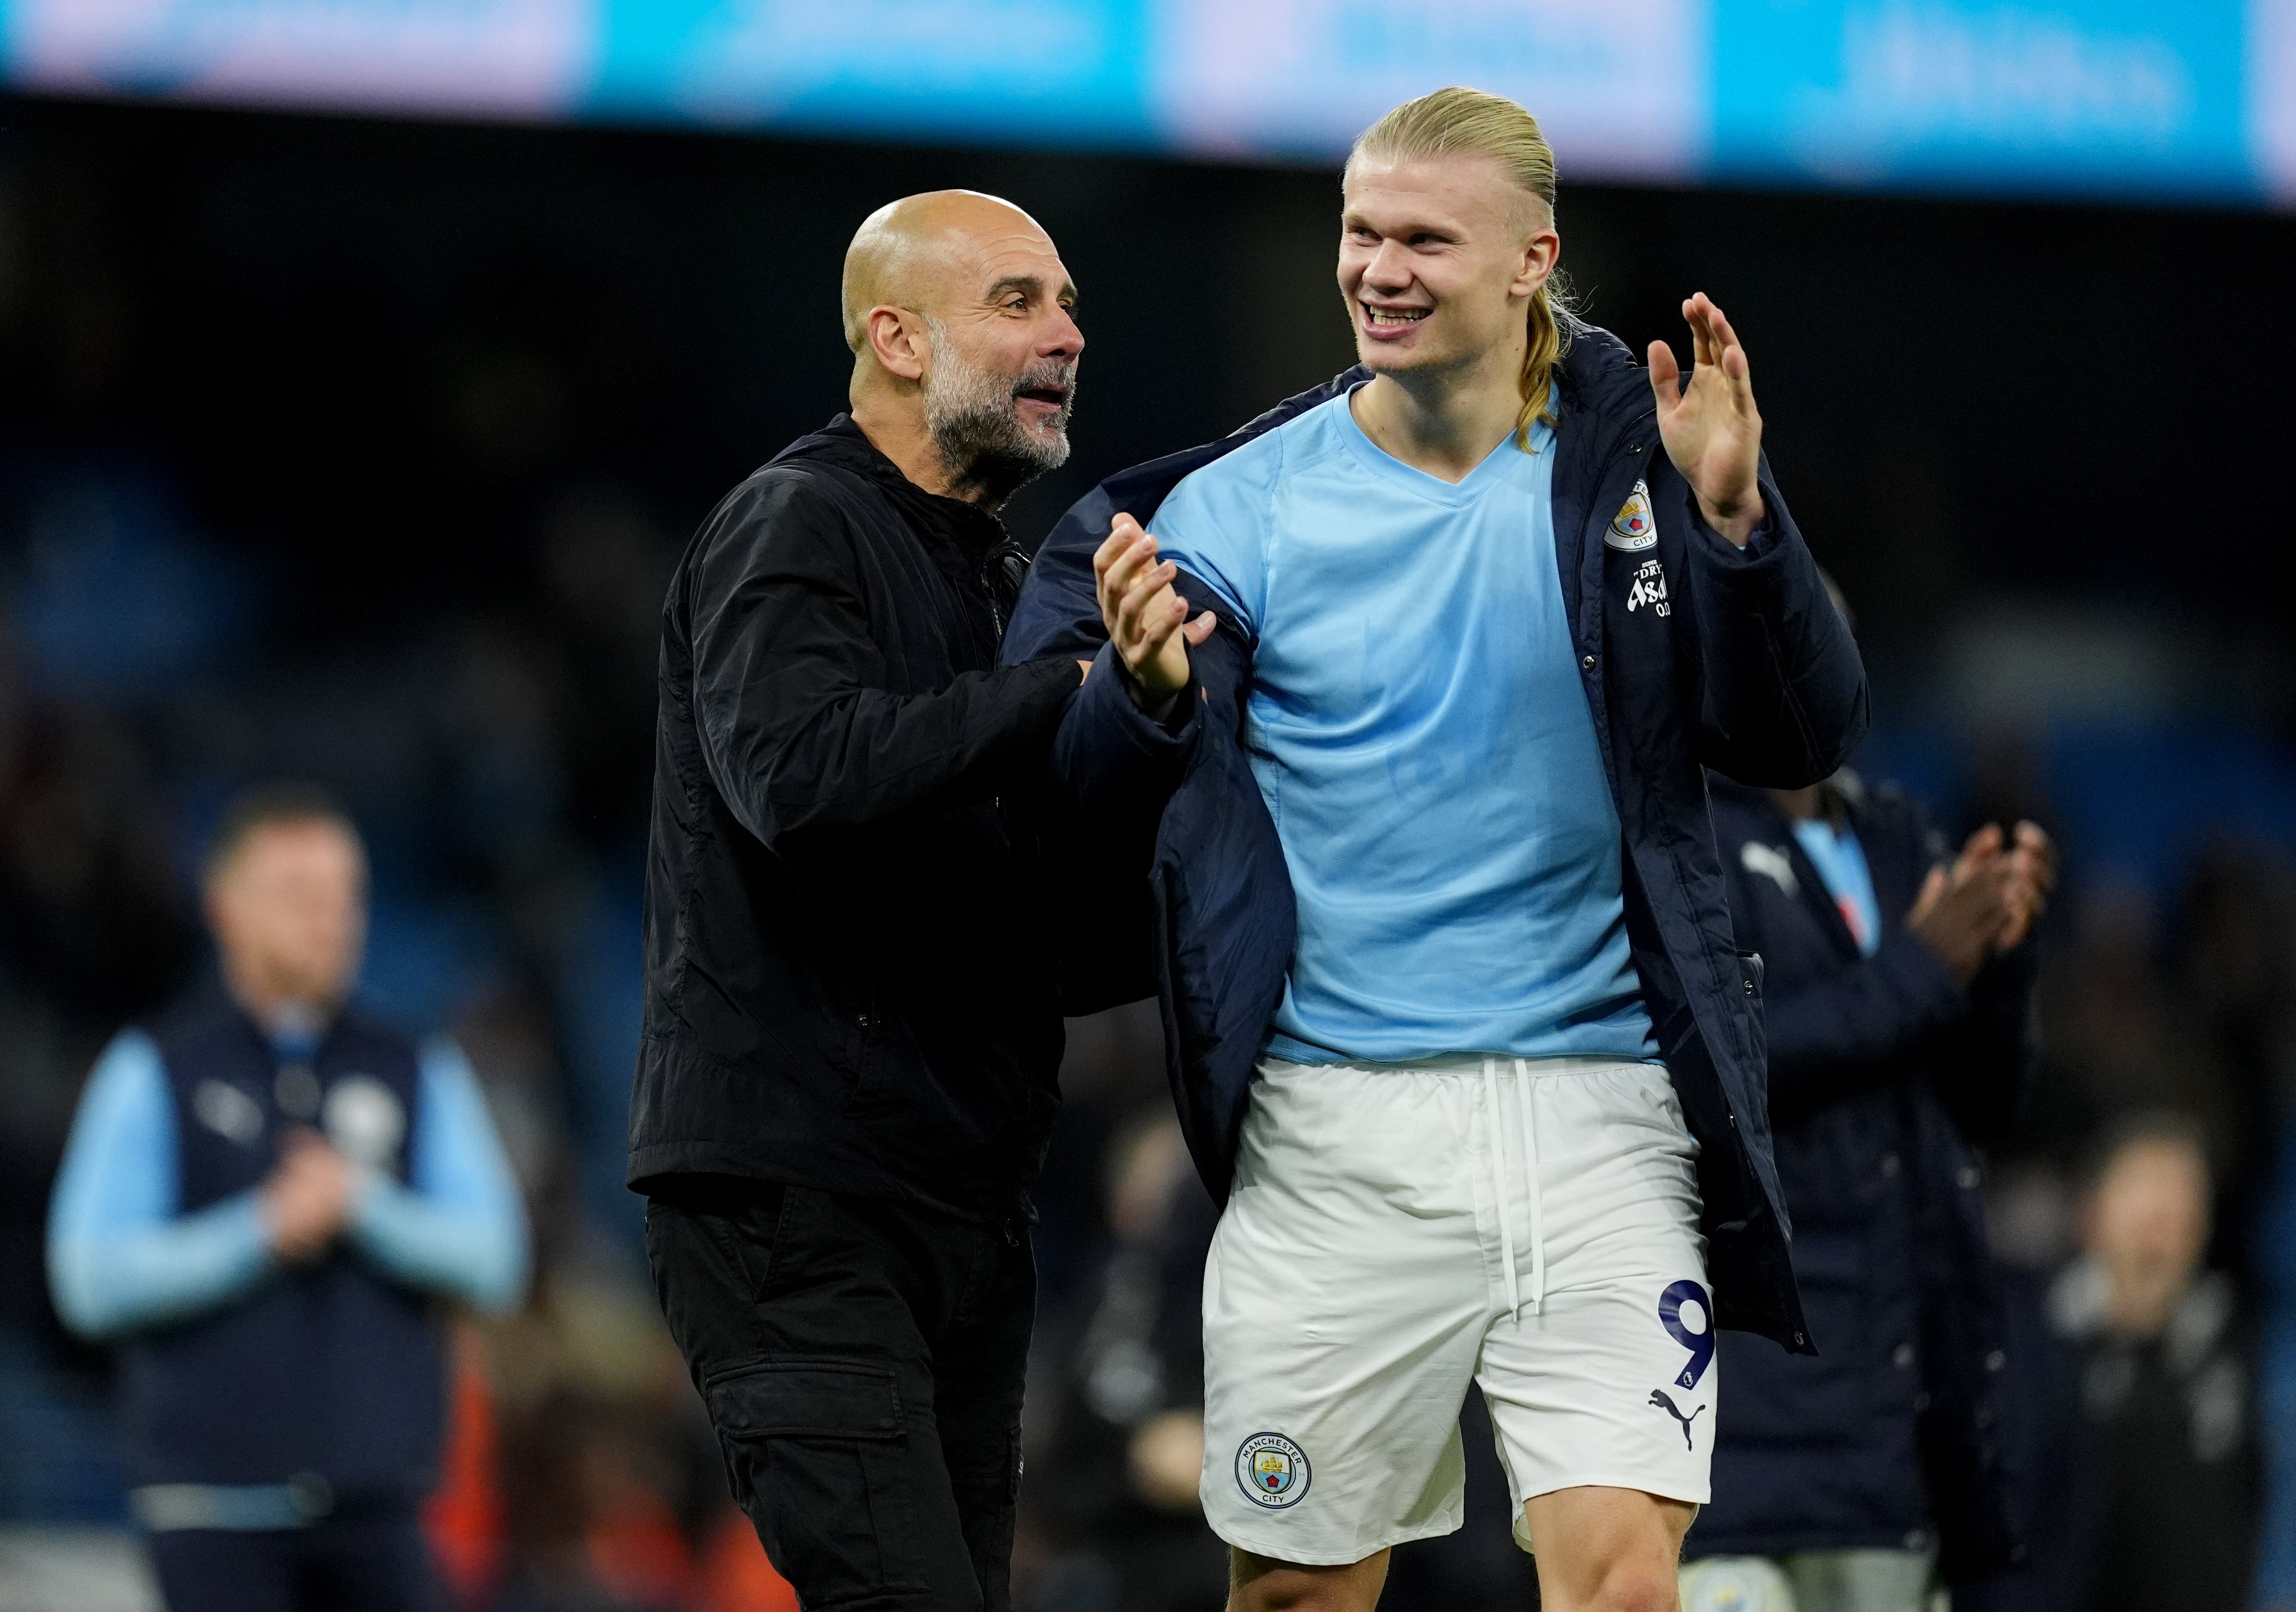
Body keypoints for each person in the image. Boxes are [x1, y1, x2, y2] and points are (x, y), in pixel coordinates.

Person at [1004, 86, 1866, 1612]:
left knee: (1622, 1583)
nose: (1379, 268)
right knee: (1295, 1594)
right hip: (1335, 1135)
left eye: (1424, 238)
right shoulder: (1233, 514)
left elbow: (1798, 735)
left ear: (1533, 259)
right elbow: (1073, 825)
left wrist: (1740, 526)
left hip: (1600, 1118)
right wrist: (1137, 700)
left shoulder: (1644, 474)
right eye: (1358, 232)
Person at [629, 190, 1093, 1612]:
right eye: (1016, 302)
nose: (1065, 335)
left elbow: (1032, 917)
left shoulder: (998, 579)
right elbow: (794, 772)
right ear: (895, 337)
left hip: (958, 1206)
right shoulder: (796, 520)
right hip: (802, 1204)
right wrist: (1059, 695)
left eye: (1069, 305)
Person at [45, 784, 529, 1612]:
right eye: (300, 894)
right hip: (211, 1512)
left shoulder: (415, 1067)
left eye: (348, 895)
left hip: (382, 1507)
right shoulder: (156, 1067)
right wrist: (260, 1231)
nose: (332, 919)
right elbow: (89, 1280)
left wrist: (363, 1210)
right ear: (226, 907)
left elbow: (496, 1261)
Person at [1677, 764, 2053, 1612]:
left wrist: (2000, 957)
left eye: (1833, 621)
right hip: (1741, 1439)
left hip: (1894, 1437)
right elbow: (1711, 1062)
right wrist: (1921, 968)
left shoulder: (1897, 835)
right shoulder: (1676, 828)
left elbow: (1982, 1106)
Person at [1965, 1116, 2260, 1612]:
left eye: (2182, 1199)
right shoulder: (2031, 1347)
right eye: (2144, 1193)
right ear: (2091, 1215)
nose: (2163, 1218)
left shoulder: (2223, 1354)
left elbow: (2247, 1508)